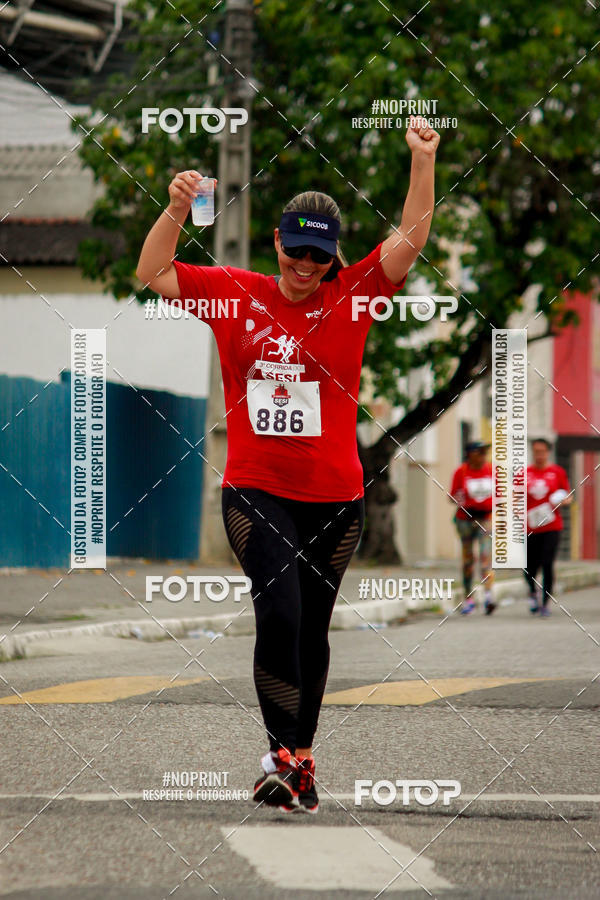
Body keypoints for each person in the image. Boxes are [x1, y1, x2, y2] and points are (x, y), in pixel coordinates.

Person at [136, 119, 439, 813]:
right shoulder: (236, 293)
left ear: (333, 259)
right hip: (255, 489)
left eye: (318, 259)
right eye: (296, 254)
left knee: (311, 625)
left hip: (336, 498)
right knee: (279, 608)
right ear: (276, 243)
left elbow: (412, 238)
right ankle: (277, 753)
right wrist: (177, 209)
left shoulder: (354, 295)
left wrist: (423, 161)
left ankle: (301, 759)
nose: (305, 269)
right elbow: (153, 272)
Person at [524, 438, 571, 616]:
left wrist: (563, 500)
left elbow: (568, 495)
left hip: (551, 525)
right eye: (536, 451)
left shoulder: (557, 472)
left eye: (542, 451)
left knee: (547, 563)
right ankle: (532, 591)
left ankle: (545, 602)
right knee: (529, 566)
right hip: (529, 527)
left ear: (548, 452)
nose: (539, 455)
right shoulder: (524, 473)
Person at [450, 441, 495, 615]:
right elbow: (453, 495)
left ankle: (489, 596)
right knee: (468, 560)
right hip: (465, 520)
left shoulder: (491, 470)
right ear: (470, 454)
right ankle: (468, 598)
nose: (484, 456)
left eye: (485, 452)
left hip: (484, 520)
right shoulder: (461, 472)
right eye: (480, 452)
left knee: (485, 559)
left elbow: (500, 495)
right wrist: (467, 502)